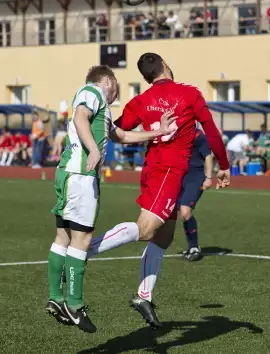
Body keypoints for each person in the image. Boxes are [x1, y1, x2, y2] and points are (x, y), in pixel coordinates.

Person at [86, 53, 231, 329]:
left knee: (163, 237)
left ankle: (143, 296)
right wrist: (224, 165)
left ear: (145, 77)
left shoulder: (140, 101)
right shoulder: (189, 94)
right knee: (146, 229)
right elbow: (211, 130)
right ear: (165, 65)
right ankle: (84, 250)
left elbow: (116, 130)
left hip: (161, 169)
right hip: (168, 170)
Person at [45, 65, 177, 334]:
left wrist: (158, 132)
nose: (117, 93)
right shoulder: (93, 91)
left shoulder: (102, 112)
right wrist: (93, 150)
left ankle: (56, 299)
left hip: (68, 174)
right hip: (81, 176)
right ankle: (74, 304)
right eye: (116, 86)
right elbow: (80, 117)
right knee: (82, 239)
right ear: (107, 81)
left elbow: (124, 135)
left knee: (63, 237)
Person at [179, 128, 213, 262]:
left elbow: (208, 155)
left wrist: (208, 177)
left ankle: (194, 247)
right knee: (176, 213)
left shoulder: (197, 134)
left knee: (185, 211)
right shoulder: (171, 132)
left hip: (194, 177)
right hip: (176, 177)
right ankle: (190, 246)